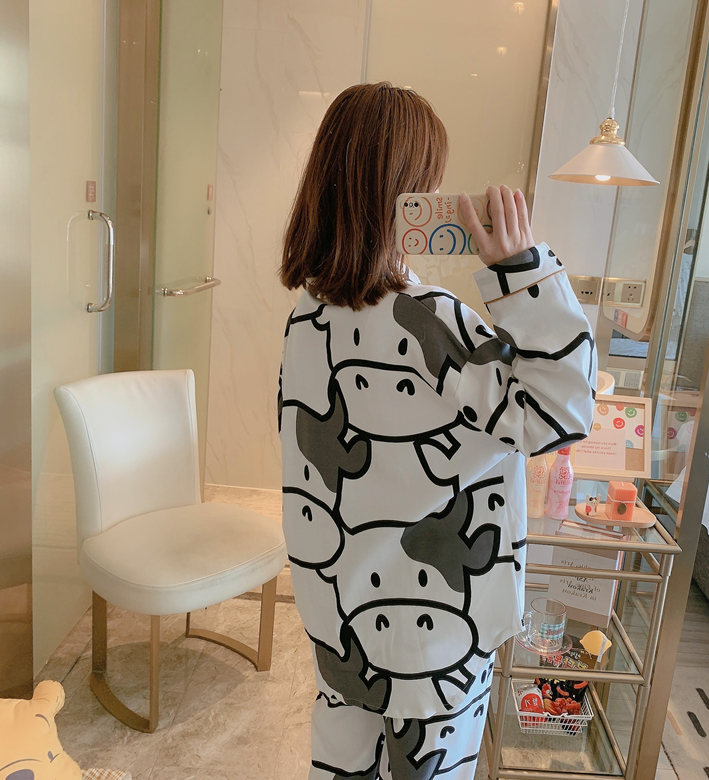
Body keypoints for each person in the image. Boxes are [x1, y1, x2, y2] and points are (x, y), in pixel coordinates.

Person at [278, 82, 595, 779]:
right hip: (435, 638)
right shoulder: (430, 320)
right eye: (427, 186)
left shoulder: (307, 315)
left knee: (346, 765)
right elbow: (561, 413)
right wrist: (523, 272)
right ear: (405, 196)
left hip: (342, 624)